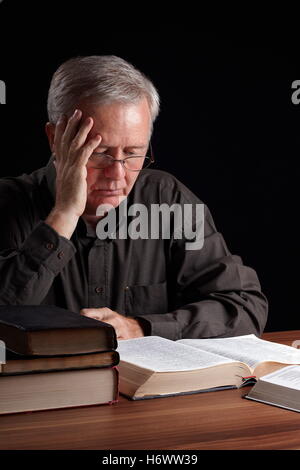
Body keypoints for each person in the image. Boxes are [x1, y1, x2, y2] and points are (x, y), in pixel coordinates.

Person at [0, 55, 268, 340]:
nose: (117, 174)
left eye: (132, 153)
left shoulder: (167, 199)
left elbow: (245, 306)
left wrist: (141, 328)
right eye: (100, 153)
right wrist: (64, 214)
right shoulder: (7, 203)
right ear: (56, 139)